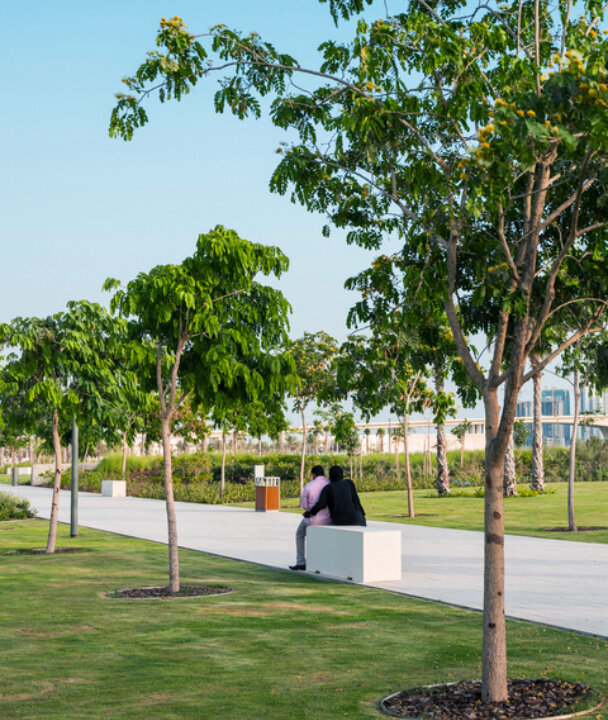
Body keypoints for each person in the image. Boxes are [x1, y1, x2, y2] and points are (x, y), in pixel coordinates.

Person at [289, 465, 330, 571]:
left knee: (300, 534)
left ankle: (301, 562)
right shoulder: (329, 484)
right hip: (329, 519)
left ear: (313, 474)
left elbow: (305, 506)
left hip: (313, 519)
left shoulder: (309, 486)